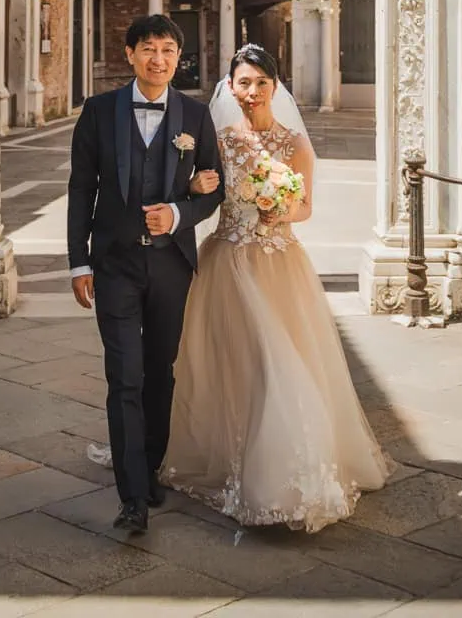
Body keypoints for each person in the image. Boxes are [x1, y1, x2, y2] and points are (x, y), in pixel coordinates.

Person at [162, 42, 390, 532]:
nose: (251, 92)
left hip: (279, 264)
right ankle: (232, 461)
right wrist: (197, 188)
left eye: (261, 83)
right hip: (227, 261)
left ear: (275, 86)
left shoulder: (294, 144)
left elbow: (305, 206)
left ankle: (286, 475)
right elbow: (196, 190)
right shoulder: (217, 139)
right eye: (242, 82)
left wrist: (281, 209)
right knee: (235, 364)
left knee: (278, 362)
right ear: (229, 86)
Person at [67, 13, 223, 535]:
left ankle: (151, 465)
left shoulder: (195, 117)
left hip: (170, 264)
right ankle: (132, 495)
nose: (159, 59)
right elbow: (81, 189)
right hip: (114, 264)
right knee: (124, 377)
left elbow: (214, 188)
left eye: (168, 51)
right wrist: (78, 260)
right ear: (129, 53)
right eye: (149, 49)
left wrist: (179, 213)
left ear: (179, 58)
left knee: (161, 373)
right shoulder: (99, 110)